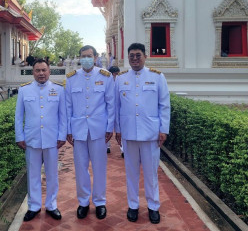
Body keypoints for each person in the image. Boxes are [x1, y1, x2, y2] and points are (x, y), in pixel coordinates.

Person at [115, 43, 170, 224]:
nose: (135, 59)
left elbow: (164, 105)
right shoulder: (121, 79)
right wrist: (118, 129)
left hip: (150, 134)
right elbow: (116, 107)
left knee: (151, 173)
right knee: (131, 173)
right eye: (131, 56)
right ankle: (133, 206)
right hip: (129, 133)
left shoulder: (157, 77)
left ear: (145, 57)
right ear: (128, 58)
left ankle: (153, 206)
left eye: (138, 55)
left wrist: (164, 129)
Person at [65, 45, 115, 220]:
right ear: (80, 58)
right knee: (81, 168)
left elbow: (111, 103)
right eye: (83, 56)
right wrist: (68, 130)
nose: (86, 59)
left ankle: (100, 202)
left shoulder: (105, 76)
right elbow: (68, 106)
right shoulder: (72, 78)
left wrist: (110, 127)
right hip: (78, 130)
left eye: (89, 56)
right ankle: (84, 202)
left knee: (99, 167)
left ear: (95, 57)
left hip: (98, 129)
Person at [15, 58, 67, 222]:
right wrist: (19, 136)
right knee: (33, 175)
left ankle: (52, 205)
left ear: (49, 71)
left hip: (52, 139)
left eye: (44, 70)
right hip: (32, 139)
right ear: (33, 72)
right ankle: (34, 206)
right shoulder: (24, 90)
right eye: (37, 70)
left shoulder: (59, 90)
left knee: (52, 174)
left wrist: (62, 135)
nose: (41, 73)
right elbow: (18, 116)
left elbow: (63, 115)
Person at [106, 66, 122, 156]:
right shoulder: (106, 82)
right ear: (112, 74)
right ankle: (107, 146)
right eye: (116, 74)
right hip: (109, 109)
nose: (118, 76)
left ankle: (123, 148)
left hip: (118, 109)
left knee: (121, 128)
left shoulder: (121, 82)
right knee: (107, 128)